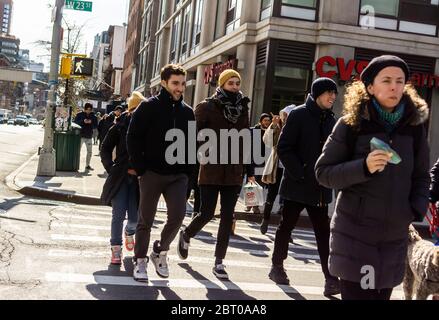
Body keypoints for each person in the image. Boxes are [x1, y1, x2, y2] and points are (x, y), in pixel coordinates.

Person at [315, 55, 430, 300]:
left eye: (400, 81)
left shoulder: (414, 129)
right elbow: (323, 173)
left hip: (393, 237)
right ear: (369, 87)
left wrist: (413, 210)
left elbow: (421, 175)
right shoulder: (351, 125)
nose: (394, 86)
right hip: (355, 236)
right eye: (386, 80)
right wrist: (363, 167)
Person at [176, 69, 255, 280]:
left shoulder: (243, 107)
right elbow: (192, 137)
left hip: (234, 171)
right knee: (207, 212)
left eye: (237, 83)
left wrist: (251, 171)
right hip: (210, 167)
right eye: (231, 83)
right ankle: (187, 233)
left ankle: (219, 262)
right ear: (221, 84)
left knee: (228, 217)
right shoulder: (206, 107)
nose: (235, 87)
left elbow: (246, 139)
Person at [269, 77, 340, 297]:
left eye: (334, 94)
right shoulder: (299, 114)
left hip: (320, 186)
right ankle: (277, 266)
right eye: (329, 93)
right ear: (317, 94)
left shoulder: (332, 120)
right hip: (296, 183)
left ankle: (330, 279)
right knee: (286, 226)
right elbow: (284, 147)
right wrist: (299, 172)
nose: (332, 97)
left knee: (323, 233)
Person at [127, 65, 195, 282]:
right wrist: (141, 169)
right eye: (175, 83)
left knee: (177, 216)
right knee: (145, 220)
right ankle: (140, 261)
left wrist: (190, 176)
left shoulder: (188, 112)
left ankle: (159, 252)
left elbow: (192, 146)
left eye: (183, 83)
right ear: (164, 83)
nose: (180, 88)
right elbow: (133, 137)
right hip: (152, 173)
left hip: (178, 175)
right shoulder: (148, 107)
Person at [100, 91, 146, 265]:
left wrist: (144, 170)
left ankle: (129, 232)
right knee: (117, 214)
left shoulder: (149, 128)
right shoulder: (119, 126)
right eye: (138, 109)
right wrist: (111, 168)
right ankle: (116, 249)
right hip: (120, 178)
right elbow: (105, 149)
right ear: (131, 110)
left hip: (139, 180)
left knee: (135, 218)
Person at [259, 106, 294, 234]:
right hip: (277, 168)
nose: (284, 118)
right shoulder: (278, 127)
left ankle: (285, 229)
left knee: (288, 201)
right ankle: (265, 219)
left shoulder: (298, 128)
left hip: (291, 169)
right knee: (271, 195)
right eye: (284, 115)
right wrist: (273, 126)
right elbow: (268, 142)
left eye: (287, 115)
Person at [245, 113, 272, 214]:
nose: (267, 122)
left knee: (260, 184)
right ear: (261, 121)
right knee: (251, 182)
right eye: (265, 120)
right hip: (252, 160)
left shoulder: (271, 131)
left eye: (268, 120)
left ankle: (255, 206)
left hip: (264, 161)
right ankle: (249, 204)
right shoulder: (253, 131)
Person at [74, 103, 98, 171]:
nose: (88, 111)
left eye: (90, 109)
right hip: (81, 135)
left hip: (89, 136)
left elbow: (96, 126)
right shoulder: (79, 115)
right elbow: (75, 123)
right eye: (87, 109)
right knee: (78, 151)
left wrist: (91, 122)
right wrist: (83, 121)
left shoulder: (93, 116)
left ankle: (87, 165)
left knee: (89, 152)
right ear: (84, 109)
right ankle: (76, 165)